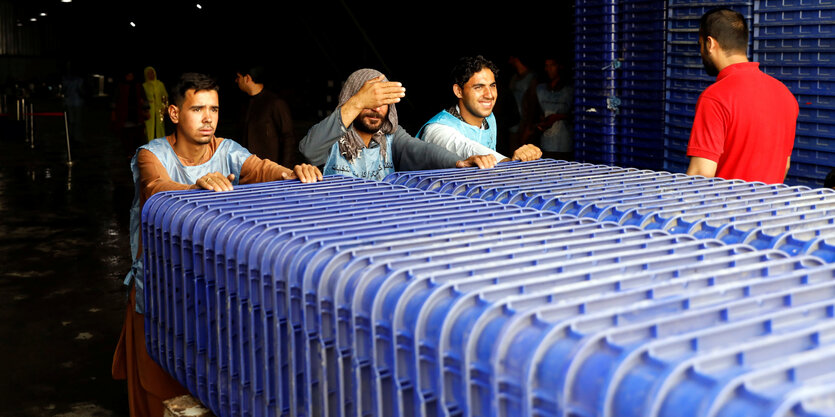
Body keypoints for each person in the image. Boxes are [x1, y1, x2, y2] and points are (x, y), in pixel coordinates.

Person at [111, 72, 321, 417]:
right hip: (158, 284)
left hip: (205, 289)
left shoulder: (226, 150)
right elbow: (156, 189)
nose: (208, 118)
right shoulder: (152, 155)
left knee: (202, 380)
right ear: (175, 113)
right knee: (156, 384)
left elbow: (259, 167)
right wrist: (197, 187)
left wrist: (292, 174)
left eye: (214, 109)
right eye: (197, 109)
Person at [299, 68, 496, 181]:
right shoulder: (331, 135)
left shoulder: (391, 136)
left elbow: (422, 151)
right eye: (369, 101)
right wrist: (358, 101)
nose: (376, 109)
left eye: (383, 102)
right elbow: (309, 150)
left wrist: (458, 162)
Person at [685, 7, 798, 184]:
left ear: (710, 44)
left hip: (724, 210)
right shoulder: (785, 95)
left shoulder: (715, 97)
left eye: (700, 44)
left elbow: (701, 174)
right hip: (770, 209)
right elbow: (784, 166)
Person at [416, 55, 541, 163]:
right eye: (479, 87)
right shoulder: (436, 130)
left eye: (492, 86)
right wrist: (510, 162)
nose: (489, 95)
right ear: (458, 91)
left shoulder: (489, 119)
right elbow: (467, 148)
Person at [235, 65, 297, 167]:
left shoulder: (275, 103)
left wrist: (284, 169)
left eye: (238, 77)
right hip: (248, 169)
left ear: (247, 78)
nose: (236, 81)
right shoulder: (244, 105)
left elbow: (288, 138)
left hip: (271, 171)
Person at [533, 55, 574, 161]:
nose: (549, 69)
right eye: (547, 66)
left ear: (560, 67)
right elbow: (533, 113)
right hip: (546, 144)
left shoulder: (570, 90)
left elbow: (577, 115)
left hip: (565, 145)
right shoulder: (540, 89)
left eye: (552, 65)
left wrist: (557, 117)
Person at [111, 69, 149, 161]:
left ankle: (134, 152)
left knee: (137, 134)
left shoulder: (138, 86)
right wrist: (113, 112)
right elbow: (115, 100)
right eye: (128, 76)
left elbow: (143, 98)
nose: (130, 77)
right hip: (125, 114)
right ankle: (128, 152)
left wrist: (146, 110)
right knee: (126, 135)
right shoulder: (120, 86)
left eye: (131, 76)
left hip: (137, 114)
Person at [142, 66, 169, 142]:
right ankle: (149, 143)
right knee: (149, 128)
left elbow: (164, 96)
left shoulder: (160, 84)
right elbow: (143, 98)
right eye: (149, 73)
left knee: (160, 127)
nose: (151, 75)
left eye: (152, 73)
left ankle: (161, 144)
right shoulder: (144, 86)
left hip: (159, 109)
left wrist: (165, 107)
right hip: (149, 110)